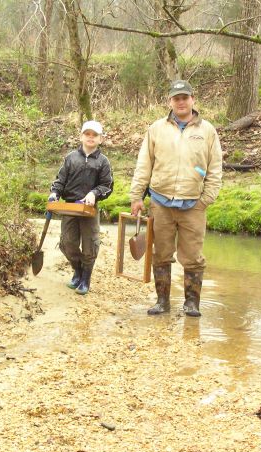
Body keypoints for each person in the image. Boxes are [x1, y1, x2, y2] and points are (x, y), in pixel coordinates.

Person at [130, 80, 222, 316]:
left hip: (194, 205)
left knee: (193, 257)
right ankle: (162, 301)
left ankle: (192, 303)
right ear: (170, 102)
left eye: (185, 97)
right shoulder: (156, 129)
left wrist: (206, 200)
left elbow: (215, 169)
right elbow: (144, 164)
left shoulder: (208, 131)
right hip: (160, 203)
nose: (181, 102)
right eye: (176, 98)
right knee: (161, 253)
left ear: (193, 100)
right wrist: (137, 196)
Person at [48, 120, 113, 295]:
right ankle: (77, 270)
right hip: (69, 208)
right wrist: (54, 193)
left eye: (95, 135)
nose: (90, 138)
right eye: (87, 134)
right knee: (68, 243)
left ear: (100, 139)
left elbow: (107, 185)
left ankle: (86, 278)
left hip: (90, 210)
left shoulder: (103, 162)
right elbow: (60, 181)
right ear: (81, 136)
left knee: (90, 245)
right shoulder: (70, 158)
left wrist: (94, 193)